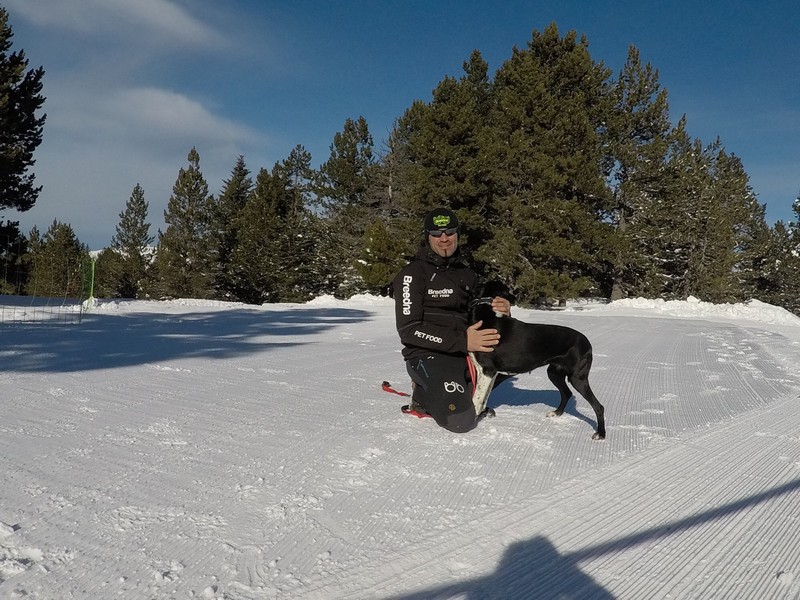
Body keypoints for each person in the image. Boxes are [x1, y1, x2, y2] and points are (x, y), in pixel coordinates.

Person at [392, 207, 511, 433]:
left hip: (464, 352)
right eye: (437, 233)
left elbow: (483, 312)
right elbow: (409, 330)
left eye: (450, 232)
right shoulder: (412, 274)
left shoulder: (467, 274)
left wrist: (501, 310)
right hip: (428, 353)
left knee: (518, 359)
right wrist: (463, 341)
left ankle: (461, 383)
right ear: (428, 236)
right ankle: (423, 393)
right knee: (460, 420)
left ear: (457, 234)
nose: (444, 238)